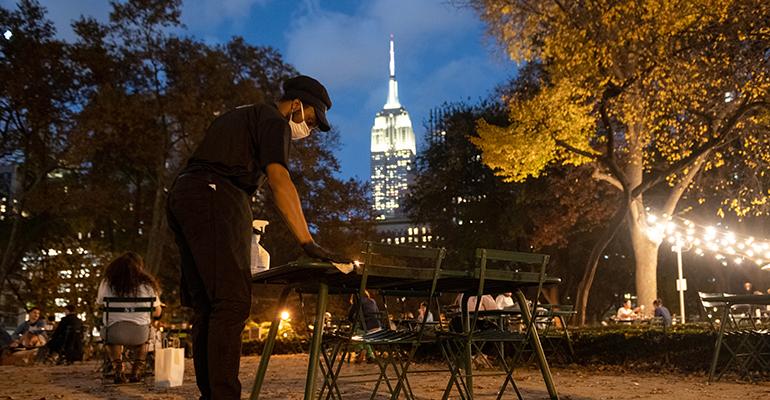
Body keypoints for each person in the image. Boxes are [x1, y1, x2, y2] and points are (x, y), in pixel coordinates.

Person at [167, 75, 350, 400]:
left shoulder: (243, 115)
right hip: (214, 194)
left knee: (208, 305)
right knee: (232, 301)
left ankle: (211, 394)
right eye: (308, 119)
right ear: (296, 104)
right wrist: (308, 242)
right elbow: (280, 180)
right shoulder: (273, 121)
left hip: (186, 193)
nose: (306, 131)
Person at [96, 252, 162, 384]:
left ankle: (118, 368)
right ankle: (137, 369)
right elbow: (156, 313)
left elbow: (99, 304)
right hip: (139, 334)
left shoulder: (107, 282)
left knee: (111, 337)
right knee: (145, 338)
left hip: (114, 333)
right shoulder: (147, 285)